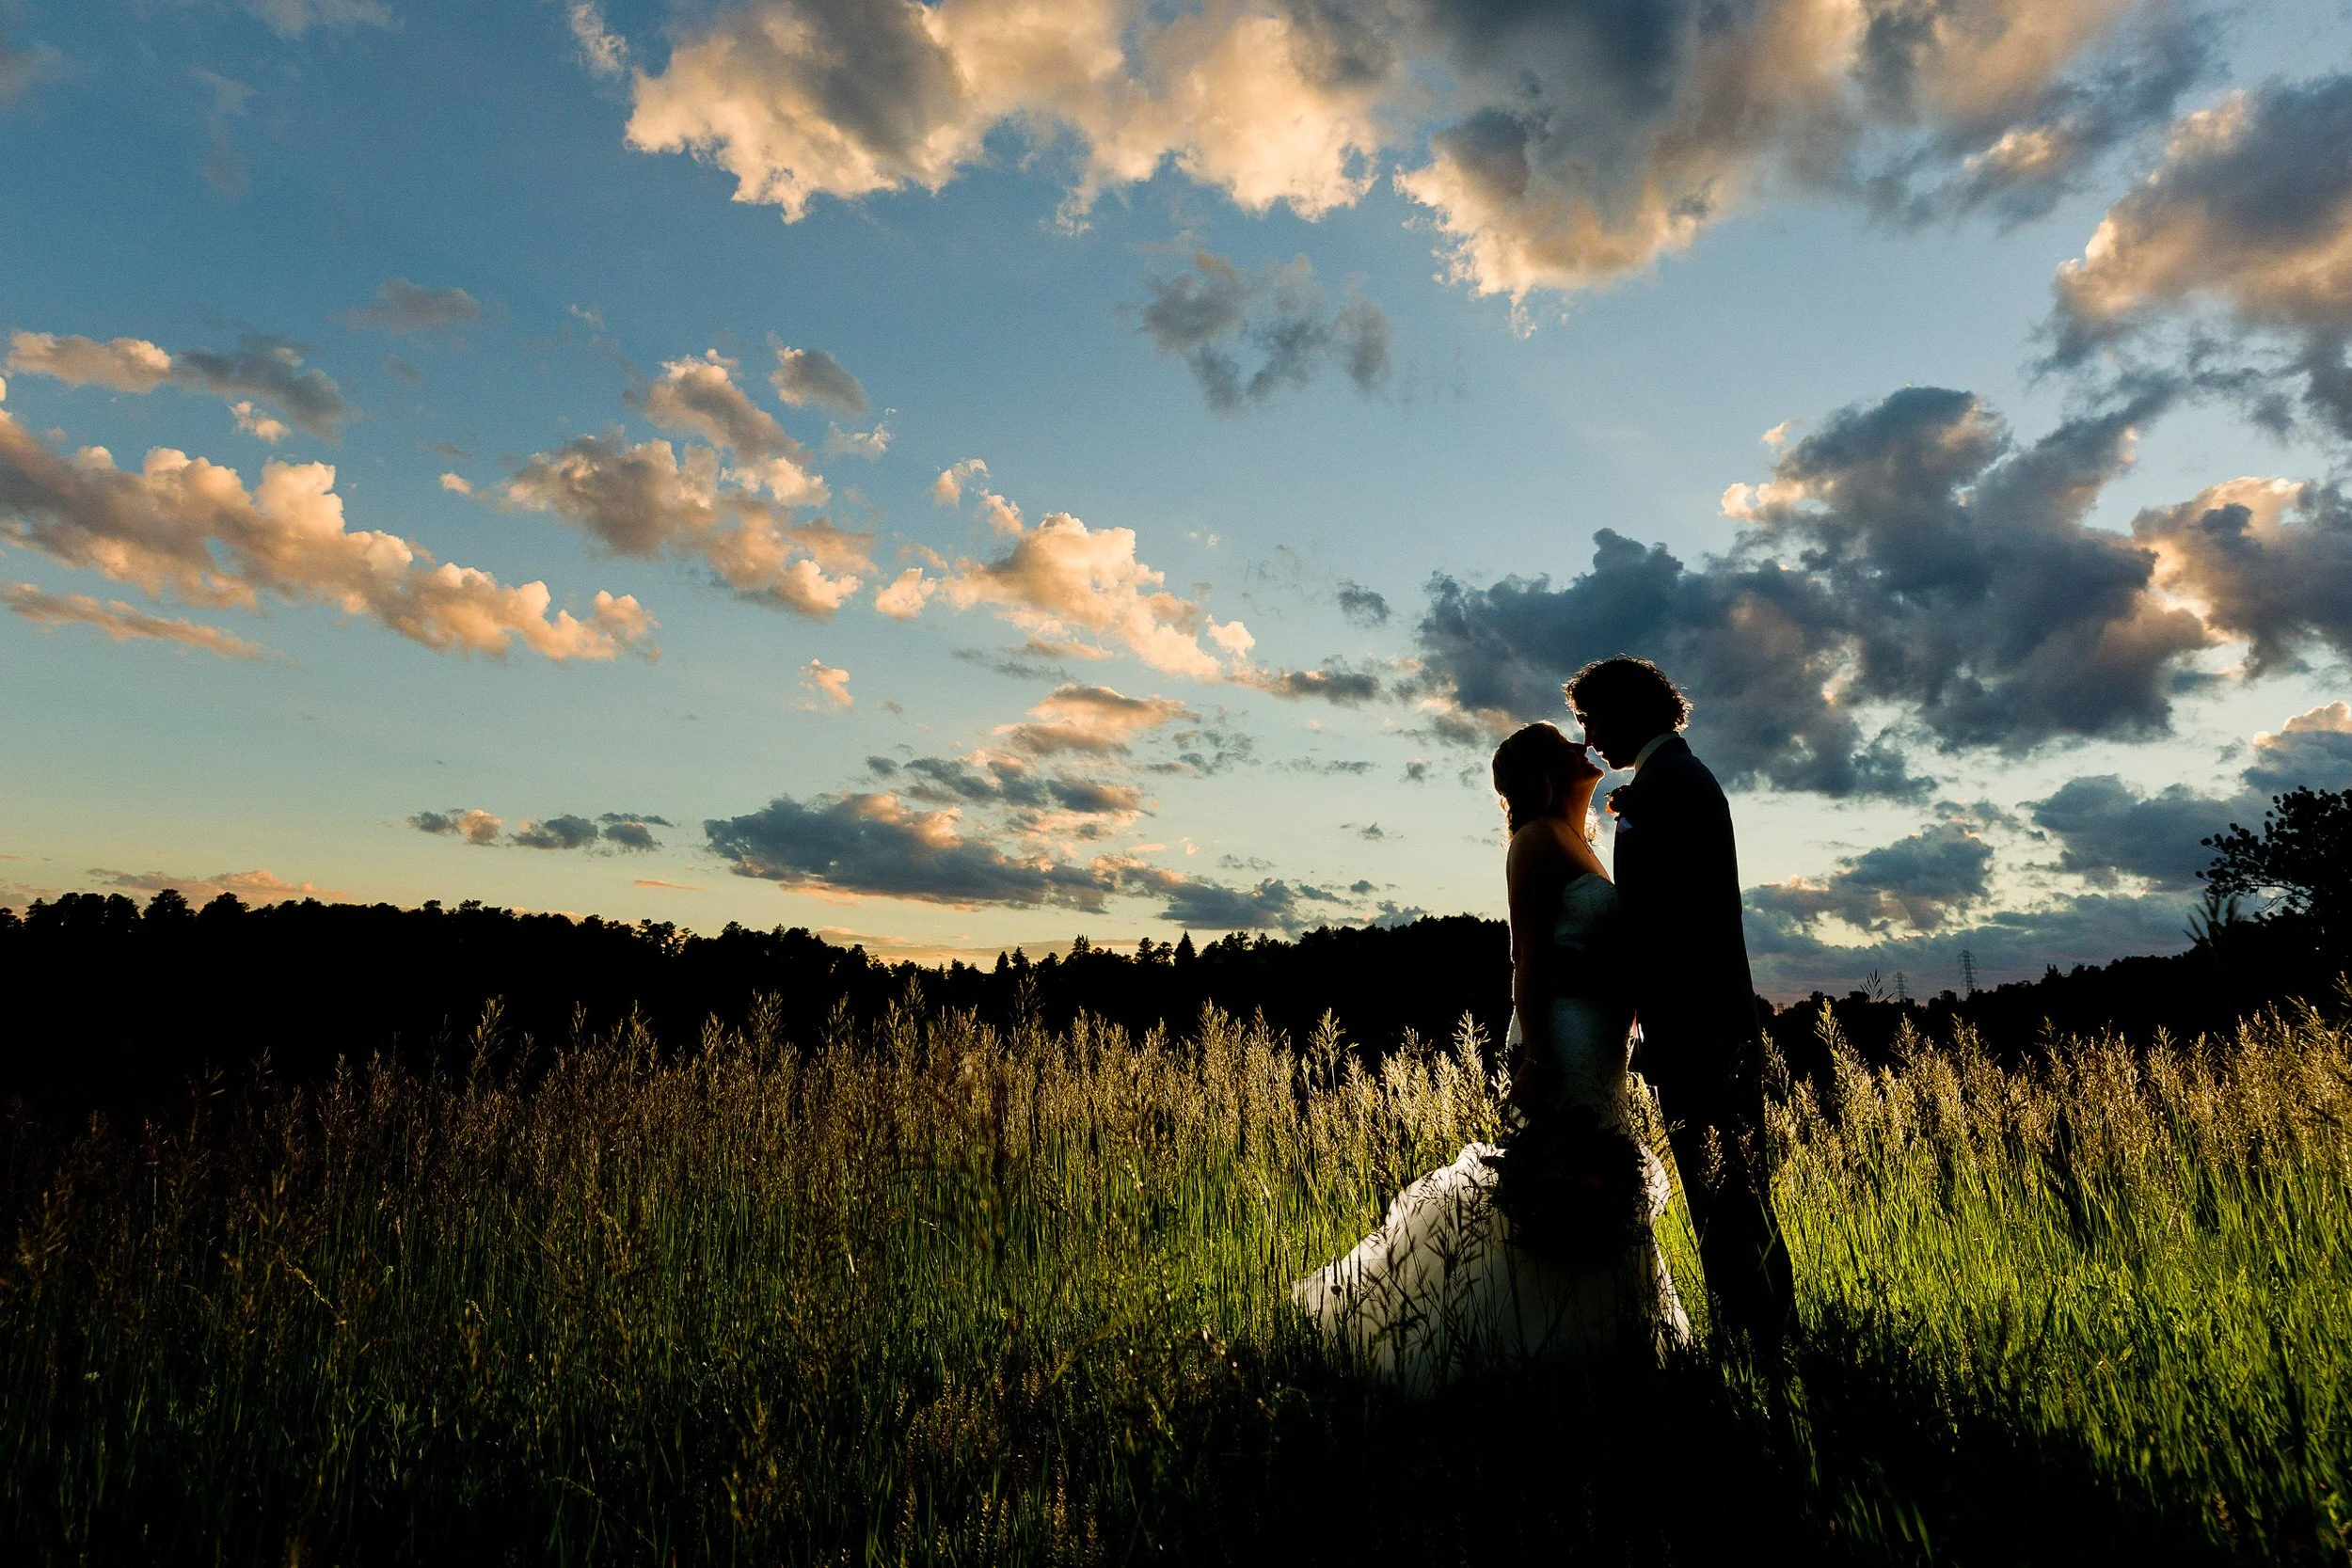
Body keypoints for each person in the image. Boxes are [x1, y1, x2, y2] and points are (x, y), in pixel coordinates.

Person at [1293, 722, 1689, 1391]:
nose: (1580, 743)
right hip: (1557, 1037)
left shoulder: (1581, 841)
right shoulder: (1536, 840)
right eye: (1563, 743)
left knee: (1596, 1170)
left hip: (1594, 1037)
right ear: (1542, 773)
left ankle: (1598, 1349)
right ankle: (1544, 1354)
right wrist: (1536, 1059)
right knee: (1571, 1171)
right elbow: (1526, 955)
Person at [1565, 655, 1794, 1349]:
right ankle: (1761, 1340)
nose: (1588, 738)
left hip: (1700, 1032)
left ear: (1631, 707)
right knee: (1731, 1197)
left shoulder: (1670, 786)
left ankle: (1759, 1346)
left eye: (1592, 717)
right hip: (1709, 1024)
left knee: (1727, 1198)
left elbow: (1667, 924)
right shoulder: (1674, 780)